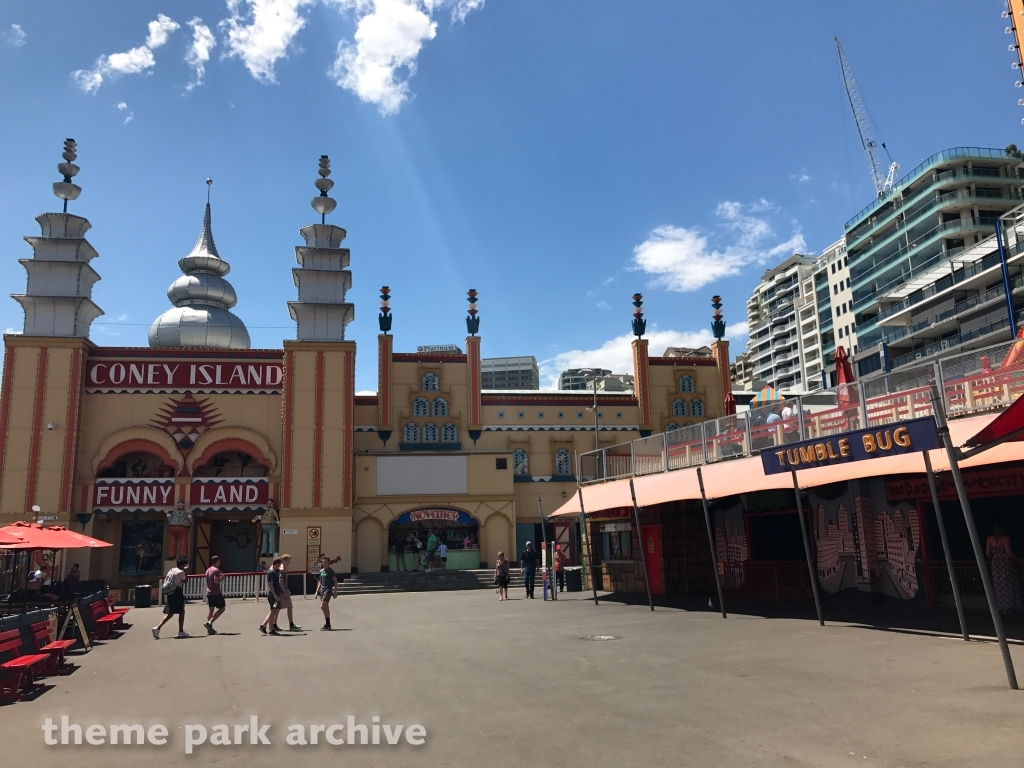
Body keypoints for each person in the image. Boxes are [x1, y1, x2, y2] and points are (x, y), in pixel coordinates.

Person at [986, 523, 1023, 613]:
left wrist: (993, 559)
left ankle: (1001, 607)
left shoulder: (989, 539)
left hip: (996, 563)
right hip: (1005, 563)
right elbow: (1009, 553)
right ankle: (1010, 606)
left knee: (998, 585)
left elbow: (988, 553)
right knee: (1008, 584)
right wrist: (1017, 559)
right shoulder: (1006, 539)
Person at [153, 557, 189, 639]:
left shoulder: (172, 570)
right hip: (177, 592)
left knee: (171, 613)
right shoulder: (180, 572)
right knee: (181, 611)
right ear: (183, 565)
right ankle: (180, 631)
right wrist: (186, 571)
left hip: (170, 592)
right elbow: (185, 581)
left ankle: (158, 628)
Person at [274, 554, 301, 631]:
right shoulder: (282, 570)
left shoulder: (279, 569)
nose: (289, 562)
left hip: (278, 591)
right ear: (285, 560)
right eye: (289, 560)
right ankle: (291, 624)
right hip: (281, 592)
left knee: (277, 608)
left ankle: (274, 624)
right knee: (289, 606)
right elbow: (281, 582)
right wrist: (285, 591)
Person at [259, 557, 285, 635]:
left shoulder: (275, 571)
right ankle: (271, 629)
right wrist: (274, 595)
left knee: (274, 611)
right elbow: (270, 584)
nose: (279, 566)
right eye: (278, 565)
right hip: (273, 595)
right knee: (273, 611)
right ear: (275, 564)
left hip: (276, 594)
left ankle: (264, 626)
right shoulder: (271, 572)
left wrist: (282, 560)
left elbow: (283, 569)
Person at [204, 555, 225, 635]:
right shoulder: (216, 570)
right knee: (222, 608)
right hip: (215, 592)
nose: (219, 563)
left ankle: (210, 629)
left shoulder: (208, 570)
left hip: (209, 592)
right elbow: (216, 581)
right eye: (219, 561)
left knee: (211, 610)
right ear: (216, 562)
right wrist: (221, 579)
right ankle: (209, 623)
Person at [316, 555, 337, 631]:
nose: (323, 563)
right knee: (324, 607)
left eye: (325, 562)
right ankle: (328, 624)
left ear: (328, 562)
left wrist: (335, 591)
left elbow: (335, 581)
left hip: (328, 590)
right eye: (323, 562)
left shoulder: (331, 571)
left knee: (322, 605)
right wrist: (316, 591)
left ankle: (328, 624)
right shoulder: (321, 571)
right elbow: (320, 582)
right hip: (322, 590)